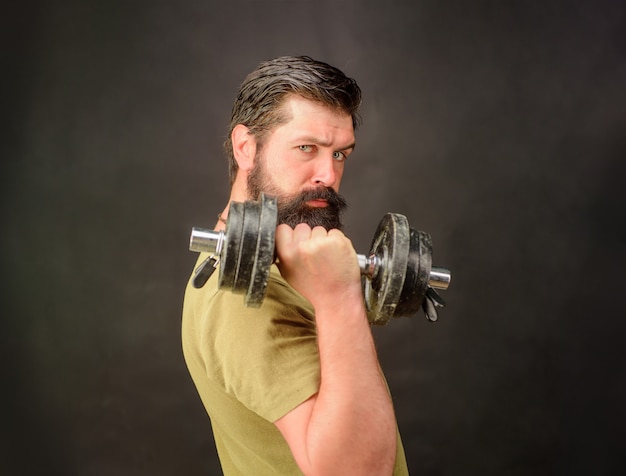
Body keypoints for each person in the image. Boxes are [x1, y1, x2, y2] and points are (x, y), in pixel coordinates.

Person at [182, 56, 409, 475]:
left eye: (341, 154)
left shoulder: (268, 269)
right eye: (307, 148)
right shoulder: (247, 299)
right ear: (245, 147)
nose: (328, 174)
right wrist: (340, 298)